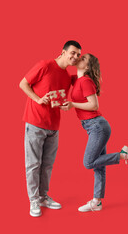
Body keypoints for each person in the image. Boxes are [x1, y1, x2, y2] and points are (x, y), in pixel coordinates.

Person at [60, 53, 128, 212]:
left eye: (83, 59)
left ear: (88, 67)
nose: (79, 58)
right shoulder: (76, 79)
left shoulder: (86, 81)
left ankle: (123, 154)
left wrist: (72, 105)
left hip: (97, 126)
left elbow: (93, 105)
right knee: (99, 166)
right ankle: (97, 202)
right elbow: (61, 75)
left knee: (89, 163)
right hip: (93, 127)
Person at [19, 40, 81, 217]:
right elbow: (23, 84)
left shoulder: (67, 76)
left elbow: (85, 80)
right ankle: (34, 200)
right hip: (35, 123)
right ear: (63, 52)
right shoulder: (45, 65)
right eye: (73, 53)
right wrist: (38, 99)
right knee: (33, 165)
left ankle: (43, 196)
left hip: (54, 126)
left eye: (78, 55)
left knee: (47, 165)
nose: (75, 57)